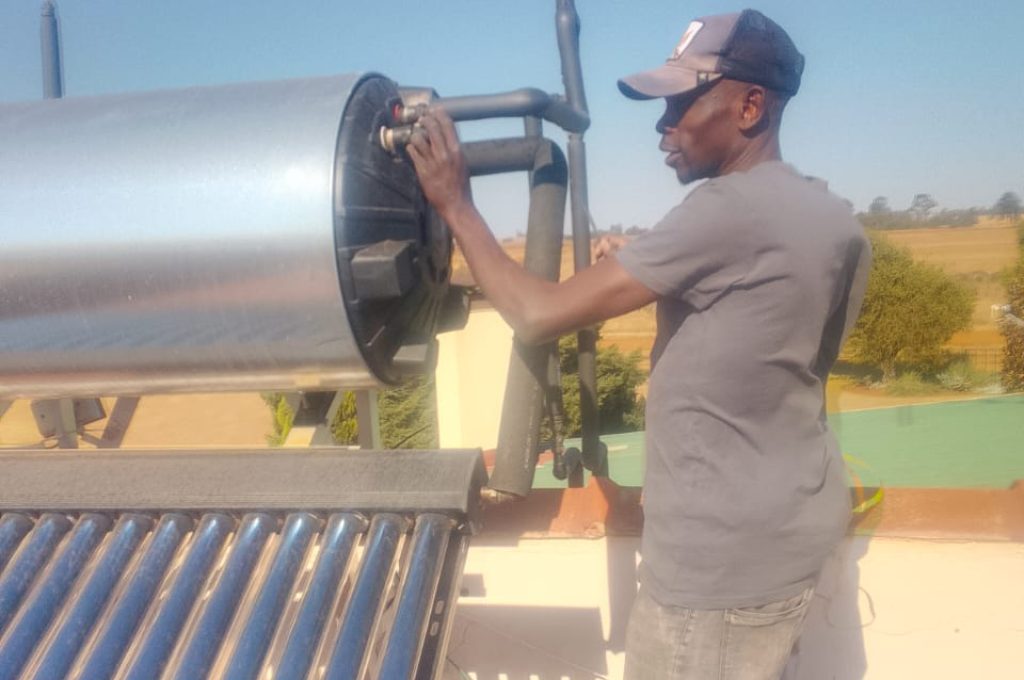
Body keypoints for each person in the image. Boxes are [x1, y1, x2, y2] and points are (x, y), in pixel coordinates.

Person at [408, 9, 871, 679]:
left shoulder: (725, 211)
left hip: (713, 573)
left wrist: (456, 206)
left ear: (749, 105)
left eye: (683, 102)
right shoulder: (828, 214)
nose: (665, 125)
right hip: (789, 537)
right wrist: (660, 267)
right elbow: (773, 330)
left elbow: (536, 314)